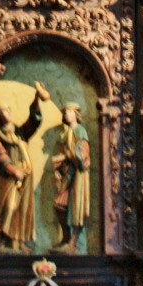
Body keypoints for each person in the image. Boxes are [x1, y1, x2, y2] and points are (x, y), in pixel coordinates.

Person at [0, 81, 50, 253]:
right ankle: (2, 241)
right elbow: (0, 155)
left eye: (7, 110)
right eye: (2, 112)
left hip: (26, 172)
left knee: (24, 207)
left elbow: (33, 122)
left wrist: (37, 99)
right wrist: (13, 170)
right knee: (9, 206)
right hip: (11, 175)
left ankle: (20, 242)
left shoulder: (19, 131)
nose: (6, 114)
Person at [51, 103, 90, 254]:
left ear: (75, 114)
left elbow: (83, 152)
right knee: (59, 204)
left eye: (68, 111)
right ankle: (66, 239)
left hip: (78, 174)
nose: (66, 114)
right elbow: (65, 155)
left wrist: (68, 153)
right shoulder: (66, 133)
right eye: (65, 112)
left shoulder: (80, 130)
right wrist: (58, 170)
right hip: (68, 173)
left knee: (76, 208)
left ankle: (73, 243)